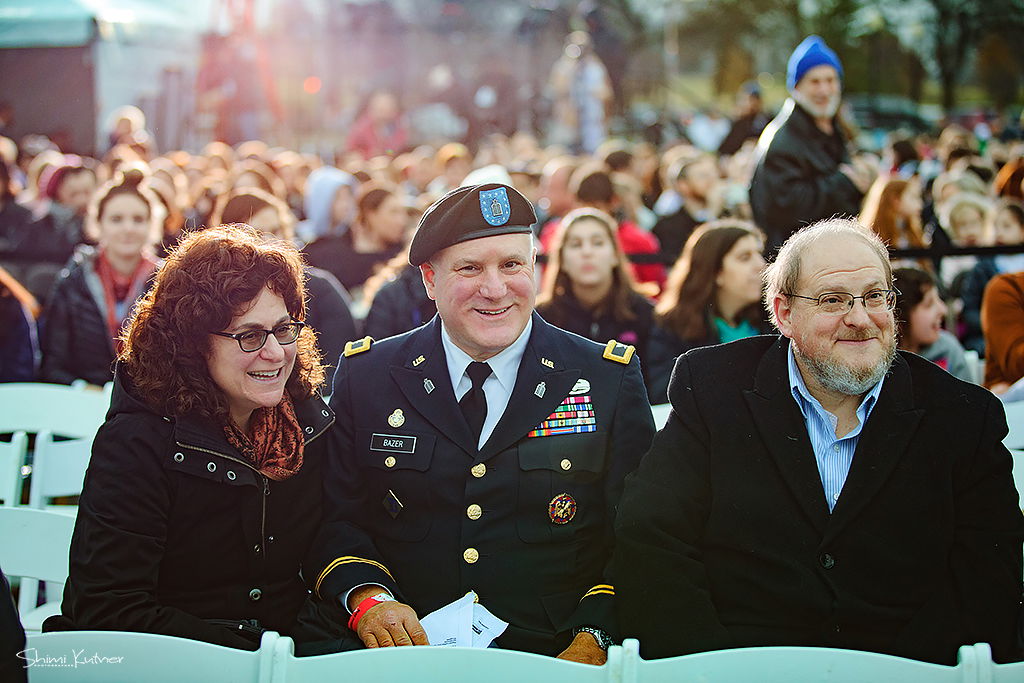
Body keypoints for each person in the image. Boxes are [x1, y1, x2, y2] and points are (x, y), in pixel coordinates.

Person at [613, 218, 1023, 664]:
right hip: (740, 664)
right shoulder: (713, 388)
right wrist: (712, 670)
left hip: (911, 668)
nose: (860, 319)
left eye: (874, 297)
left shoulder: (963, 415)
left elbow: (988, 572)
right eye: (833, 300)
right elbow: (652, 536)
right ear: (784, 312)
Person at [310, 183, 655, 663]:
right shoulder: (368, 376)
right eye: (469, 268)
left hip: (553, 656)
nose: (495, 289)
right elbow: (334, 516)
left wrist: (596, 633)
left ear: (534, 267)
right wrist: (369, 599)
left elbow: (639, 534)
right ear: (429, 280)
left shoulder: (605, 376)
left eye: (512, 265)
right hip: (405, 659)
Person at [44, 225, 350, 653]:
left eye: (283, 329)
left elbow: (332, 542)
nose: (276, 352)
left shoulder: (305, 422)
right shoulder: (138, 441)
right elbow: (107, 608)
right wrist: (254, 657)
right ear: (191, 342)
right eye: (249, 335)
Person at [39, 167, 162, 386]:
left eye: (138, 219)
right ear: (99, 223)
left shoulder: (167, 282)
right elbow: (52, 361)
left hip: (147, 408)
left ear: (152, 224)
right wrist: (81, 386)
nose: (128, 228)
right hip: (82, 402)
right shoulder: (74, 280)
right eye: (116, 219)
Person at [210, 188, 358, 369]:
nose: (270, 240)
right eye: (257, 232)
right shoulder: (215, 293)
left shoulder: (320, 288)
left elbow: (340, 363)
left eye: (276, 229)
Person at [749, 36, 872, 251]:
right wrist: (845, 181)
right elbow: (786, 208)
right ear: (796, 86)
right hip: (798, 259)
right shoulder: (782, 139)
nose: (824, 90)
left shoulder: (832, 127)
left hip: (830, 250)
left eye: (830, 80)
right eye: (815, 81)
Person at [645, 221, 769, 404]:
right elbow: (664, 391)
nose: (761, 265)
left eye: (759, 254)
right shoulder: (673, 326)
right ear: (715, 271)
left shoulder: (774, 320)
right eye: (745, 257)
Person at [536, 208, 654, 380]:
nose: (587, 252)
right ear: (562, 260)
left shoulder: (646, 314)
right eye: (576, 244)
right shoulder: (540, 319)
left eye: (597, 243)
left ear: (615, 255)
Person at [304, 182, 406, 295]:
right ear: (370, 214)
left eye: (403, 213)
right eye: (393, 212)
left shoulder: (403, 255)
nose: (401, 221)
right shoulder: (327, 252)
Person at [892, 267, 971, 382]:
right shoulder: (881, 362)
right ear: (899, 315)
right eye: (929, 304)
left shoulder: (948, 349)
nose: (943, 310)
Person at [651, 151, 722, 262]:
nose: (711, 181)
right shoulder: (668, 226)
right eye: (702, 176)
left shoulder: (727, 214)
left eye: (712, 175)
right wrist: (712, 213)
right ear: (683, 185)